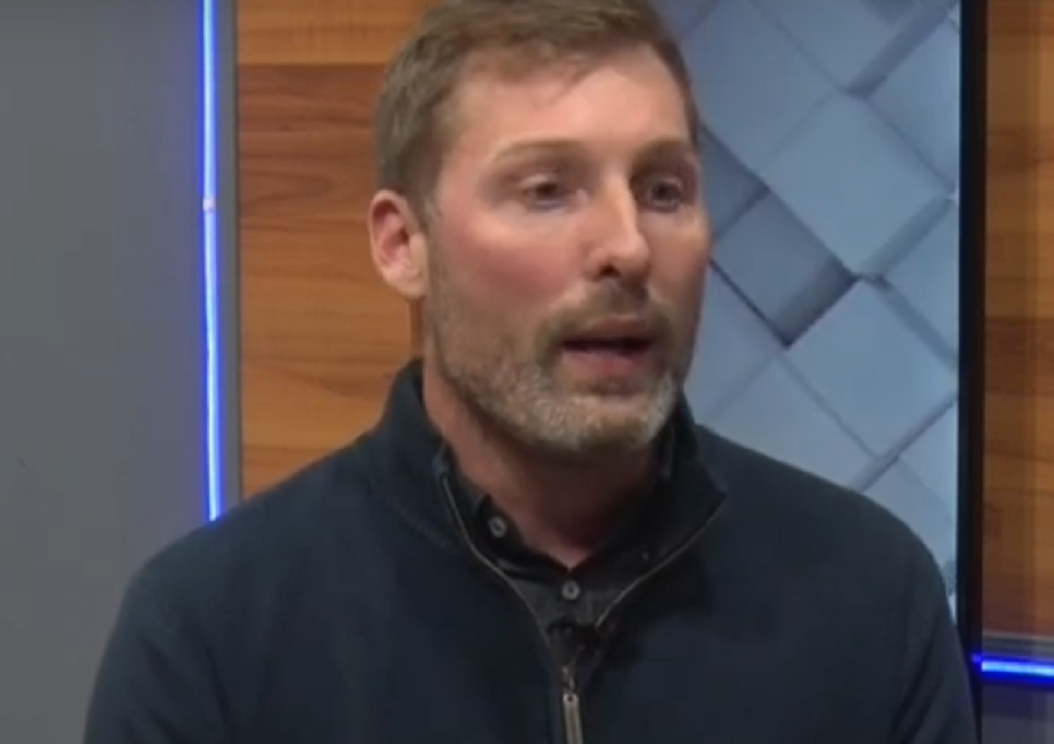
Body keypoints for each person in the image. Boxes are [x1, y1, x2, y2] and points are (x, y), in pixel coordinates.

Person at [83, 0, 978, 742]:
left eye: (663, 190)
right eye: (547, 190)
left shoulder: (871, 598)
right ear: (404, 244)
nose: (628, 246)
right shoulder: (211, 633)